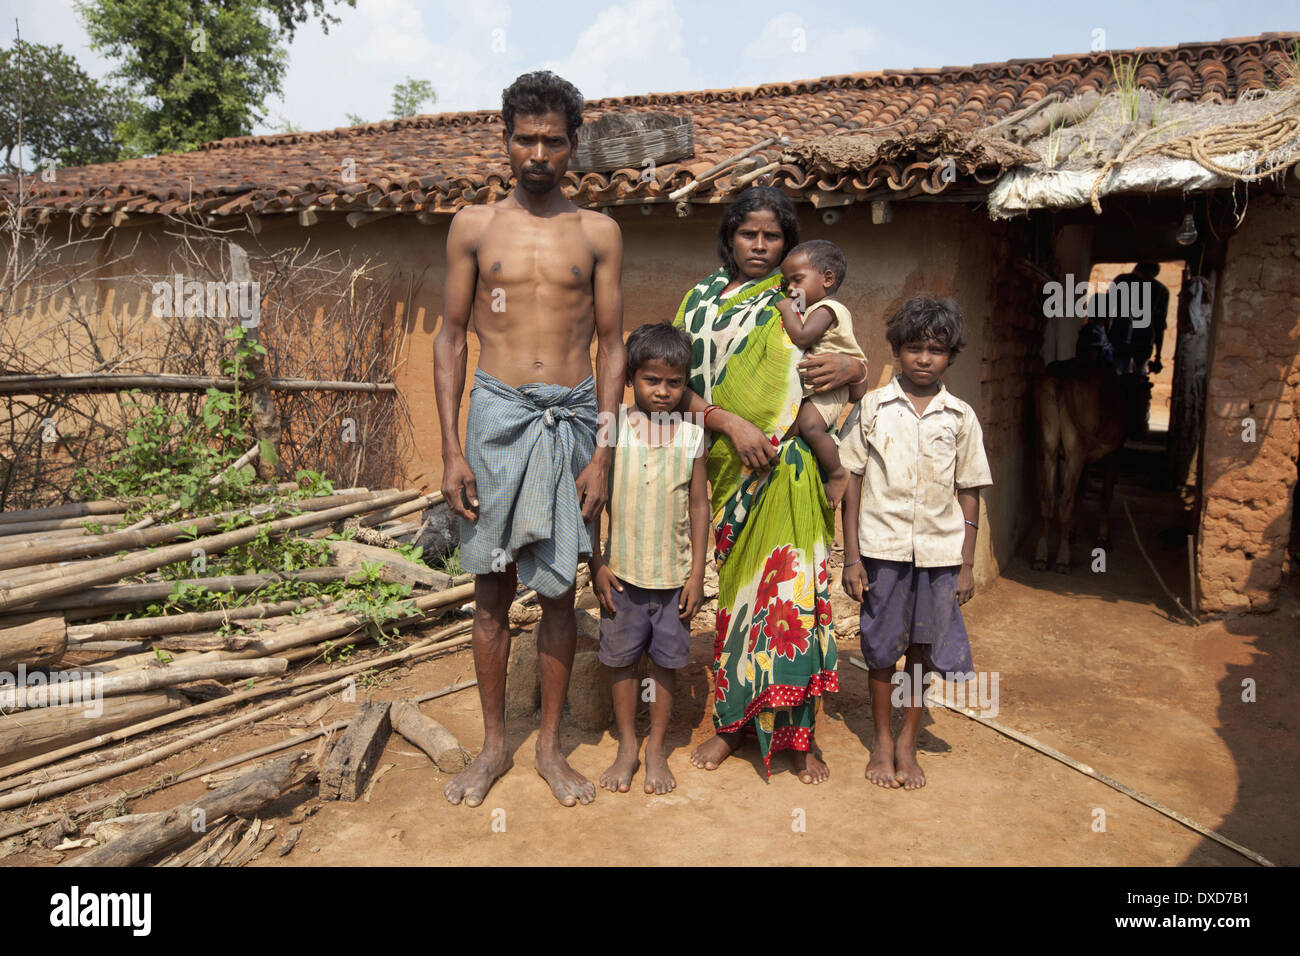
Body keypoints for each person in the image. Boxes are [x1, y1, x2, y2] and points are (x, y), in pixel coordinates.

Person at [434, 71, 626, 808]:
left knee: (555, 592)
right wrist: (452, 449)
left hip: (574, 419)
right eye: (525, 137)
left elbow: (613, 347)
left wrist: (603, 450)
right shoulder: (473, 227)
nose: (538, 151)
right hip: (496, 417)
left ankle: (548, 749)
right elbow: (451, 338)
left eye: (553, 139)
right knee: (491, 586)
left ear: (574, 145)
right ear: (506, 140)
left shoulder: (598, 233)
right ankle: (492, 748)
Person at [673, 186, 870, 783]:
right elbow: (667, 378)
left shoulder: (793, 294)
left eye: (773, 236)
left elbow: (833, 361)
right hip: (725, 467)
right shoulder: (698, 301)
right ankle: (734, 728)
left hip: (790, 467)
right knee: (737, 605)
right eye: (748, 234)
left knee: (792, 602)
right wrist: (727, 421)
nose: (759, 245)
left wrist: (856, 368)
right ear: (729, 236)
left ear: (788, 244)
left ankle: (800, 735)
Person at [840, 296, 992, 790]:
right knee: (882, 648)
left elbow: (969, 490)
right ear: (896, 351)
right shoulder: (873, 407)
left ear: (951, 355)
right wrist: (853, 557)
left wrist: (966, 564)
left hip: (939, 553)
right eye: (913, 348)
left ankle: (908, 740)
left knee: (923, 649)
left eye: (936, 350)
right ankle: (882, 741)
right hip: (882, 551)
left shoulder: (960, 417)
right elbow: (852, 481)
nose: (924, 359)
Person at [590, 323, 710, 795]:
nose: (663, 392)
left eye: (674, 383)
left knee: (665, 665)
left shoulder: (691, 434)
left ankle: (656, 748)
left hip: (673, 577)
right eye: (651, 380)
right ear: (629, 379)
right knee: (621, 663)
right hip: (620, 575)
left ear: (686, 384)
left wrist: (697, 573)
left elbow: (699, 505)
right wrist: (596, 561)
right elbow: (592, 497)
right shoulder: (611, 426)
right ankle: (627, 747)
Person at [776, 239, 866, 508]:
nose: (790, 289)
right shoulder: (814, 308)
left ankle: (838, 474)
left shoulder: (829, 309)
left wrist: (786, 310)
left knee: (810, 425)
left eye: (797, 280)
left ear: (827, 279)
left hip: (832, 387)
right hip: (818, 387)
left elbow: (803, 337)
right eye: (786, 282)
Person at [1107, 261, 1169, 375]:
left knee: (1130, 380)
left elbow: (1159, 325)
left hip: (1137, 345)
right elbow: (1107, 311)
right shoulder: (1121, 281)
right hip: (1122, 343)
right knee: (1122, 379)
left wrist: (1158, 356)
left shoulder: (1160, 291)